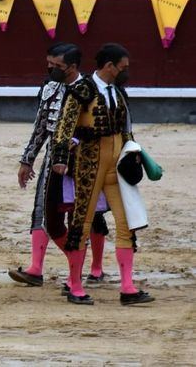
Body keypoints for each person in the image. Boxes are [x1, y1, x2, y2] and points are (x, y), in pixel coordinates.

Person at [51, 43, 155, 306]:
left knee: (126, 223)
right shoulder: (81, 90)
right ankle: (74, 285)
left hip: (116, 166)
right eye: (123, 68)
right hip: (88, 164)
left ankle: (128, 288)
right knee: (80, 226)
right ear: (109, 66)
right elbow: (64, 126)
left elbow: (126, 128)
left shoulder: (119, 94)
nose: (125, 72)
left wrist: (133, 152)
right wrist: (61, 159)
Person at [9, 43, 110, 289]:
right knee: (42, 210)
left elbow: (100, 129)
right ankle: (36, 269)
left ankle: (95, 269)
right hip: (54, 158)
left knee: (89, 215)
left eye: (57, 66)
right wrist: (27, 160)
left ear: (73, 67)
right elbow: (41, 127)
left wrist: (76, 143)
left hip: (86, 158)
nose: (51, 69)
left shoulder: (91, 90)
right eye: (49, 64)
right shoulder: (50, 88)